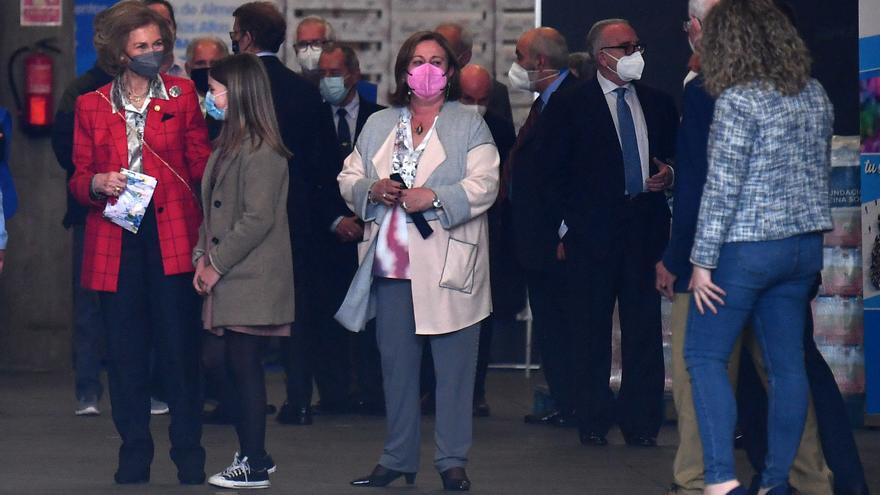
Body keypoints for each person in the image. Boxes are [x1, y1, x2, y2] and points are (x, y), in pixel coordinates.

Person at [658, 1, 838, 493]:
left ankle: (718, 480)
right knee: (786, 367)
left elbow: (721, 187)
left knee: (704, 357)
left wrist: (701, 261)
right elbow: (817, 172)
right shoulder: (814, 93)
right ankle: (776, 482)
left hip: (745, 250)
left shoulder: (738, 99)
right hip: (801, 249)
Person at [337, 31, 499, 491]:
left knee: (453, 374)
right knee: (397, 370)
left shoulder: (469, 123)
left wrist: (437, 196)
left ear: (449, 72)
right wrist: (370, 189)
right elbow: (349, 173)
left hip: (450, 266)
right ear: (403, 70)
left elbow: (486, 182)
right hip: (391, 266)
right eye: (417, 60)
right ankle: (397, 456)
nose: (426, 69)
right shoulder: (379, 123)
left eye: (436, 61)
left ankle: (452, 461)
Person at [68, 1, 210, 484]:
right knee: (125, 354)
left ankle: (189, 454)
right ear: (120, 54)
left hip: (171, 236)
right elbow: (77, 177)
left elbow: (199, 165)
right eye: (142, 46)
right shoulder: (91, 104)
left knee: (178, 351)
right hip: (115, 236)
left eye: (159, 44)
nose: (154, 52)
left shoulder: (183, 93)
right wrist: (95, 183)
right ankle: (133, 453)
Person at [540, 18, 676, 448]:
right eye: (626, 46)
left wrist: (668, 175)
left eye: (638, 44)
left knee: (643, 330)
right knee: (591, 329)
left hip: (644, 228)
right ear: (603, 57)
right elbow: (550, 174)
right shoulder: (570, 105)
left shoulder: (657, 102)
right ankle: (594, 418)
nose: (637, 52)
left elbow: (678, 158)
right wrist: (565, 228)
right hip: (591, 232)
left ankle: (641, 422)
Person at [230, 1, 342, 426]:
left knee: (242, 311)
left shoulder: (234, 85)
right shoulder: (304, 90)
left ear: (246, 36)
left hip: (243, 214)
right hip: (298, 216)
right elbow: (325, 162)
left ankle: (243, 399)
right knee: (298, 312)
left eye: (236, 31)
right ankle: (298, 399)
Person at [194, 53, 294, 490]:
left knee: (242, 363)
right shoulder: (228, 144)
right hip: (230, 271)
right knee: (225, 361)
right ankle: (257, 452)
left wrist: (214, 263)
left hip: (251, 273)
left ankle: (253, 462)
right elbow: (212, 209)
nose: (210, 97)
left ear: (238, 94)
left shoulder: (262, 151)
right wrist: (203, 255)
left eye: (215, 89)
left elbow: (257, 219)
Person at [506, 27, 580, 427]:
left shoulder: (571, 101)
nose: (515, 66)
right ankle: (563, 398)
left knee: (562, 324)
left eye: (519, 56)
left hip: (558, 240)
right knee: (551, 323)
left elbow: (576, 173)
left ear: (538, 61)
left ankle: (571, 402)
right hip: (538, 239)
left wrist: (565, 231)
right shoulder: (546, 103)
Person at [51, 11, 116, 417]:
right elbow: (65, 151)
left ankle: (146, 386)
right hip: (92, 208)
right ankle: (88, 389)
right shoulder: (80, 91)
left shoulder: (153, 86)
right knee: (89, 303)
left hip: (140, 209)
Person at [317, 43, 386, 415]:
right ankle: (334, 393)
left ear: (354, 74)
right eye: (323, 74)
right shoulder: (311, 118)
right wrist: (335, 220)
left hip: (372, 230)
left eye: (335, 72)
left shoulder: (381, 119)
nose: (329, 81)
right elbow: (307, 179)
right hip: (327, 237)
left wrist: (365, 218)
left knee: (374, 318)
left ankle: (373, 392)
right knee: (329, 317)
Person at [435, 22, 513, 124]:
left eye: (444, 54)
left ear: (465, 57)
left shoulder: (495, 93)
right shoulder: (415, 91)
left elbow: (503, 137)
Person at [295, 16, 380, 103]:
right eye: (302, 44)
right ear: (295, 50)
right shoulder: (288, 93)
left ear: (332, 46)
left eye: (317, 43)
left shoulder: (368, 94)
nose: (309, 51)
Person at [184, 36, 229, 139]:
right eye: (200, 63)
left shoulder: (237, 103)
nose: (208, 69)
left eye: (215, 64)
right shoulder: (179, 105)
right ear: (188, 68)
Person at [144, 0, 186, 77]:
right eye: (153, 23)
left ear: (174, 29)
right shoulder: (129, 76)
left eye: (165, 23)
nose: (161, 29)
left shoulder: (189, 73)